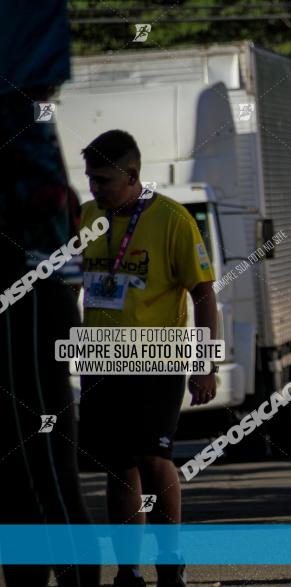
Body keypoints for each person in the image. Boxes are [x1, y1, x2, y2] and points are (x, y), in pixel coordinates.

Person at [76, 130, 218, 587]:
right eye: (90, 180)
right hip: (101, 359)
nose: (94, 189)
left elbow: (203, 294)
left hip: (158, 356)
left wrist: (205, 363)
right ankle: (128, 569)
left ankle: (170, 560)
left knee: (154, 458)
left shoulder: (171, 219)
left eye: (102, 180)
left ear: (132, 176)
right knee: (118, 464)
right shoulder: (85, 217)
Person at [0, 2, 100, 585]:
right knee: (18, 475)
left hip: (29, 289)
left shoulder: (19, 115)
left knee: (41, 463)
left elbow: (43, 205)